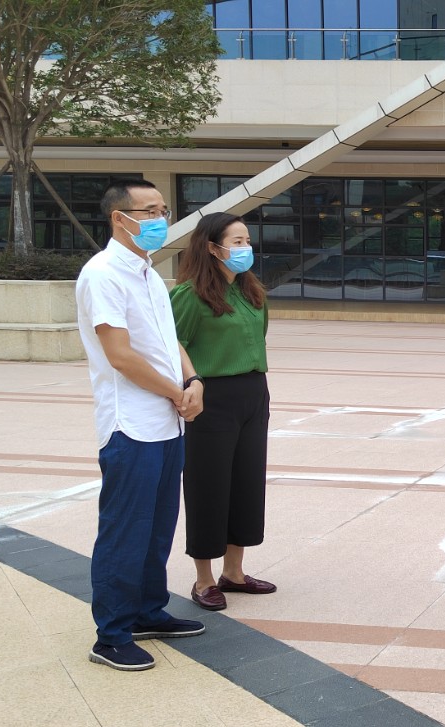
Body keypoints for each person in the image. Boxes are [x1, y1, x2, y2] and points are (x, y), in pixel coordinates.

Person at [75, 179, 206, 671]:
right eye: (148, 211)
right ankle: (111, 635)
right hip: (130, 426)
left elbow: (169, 341)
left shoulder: (150, 273)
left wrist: (193, 380)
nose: (160, 219)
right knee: (124, 531)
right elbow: (121, 356)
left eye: (162, 210)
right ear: (119, 218)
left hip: (167, 423)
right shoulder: (103, 274)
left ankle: (149, 611)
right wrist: (176, 392)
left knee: (157, 527)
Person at [171, 212, 276, 612]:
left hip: (253, 392)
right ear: (212, 248)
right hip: (211, 397)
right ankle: (204, 579)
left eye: (247, 241)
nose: (245, 248)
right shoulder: (189, 295)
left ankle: (235, 572)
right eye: (236, 242)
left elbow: (258, 339)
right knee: (208, 486)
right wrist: (191, 383)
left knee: (246, 483)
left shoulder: (252, 292)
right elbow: (172, 343)